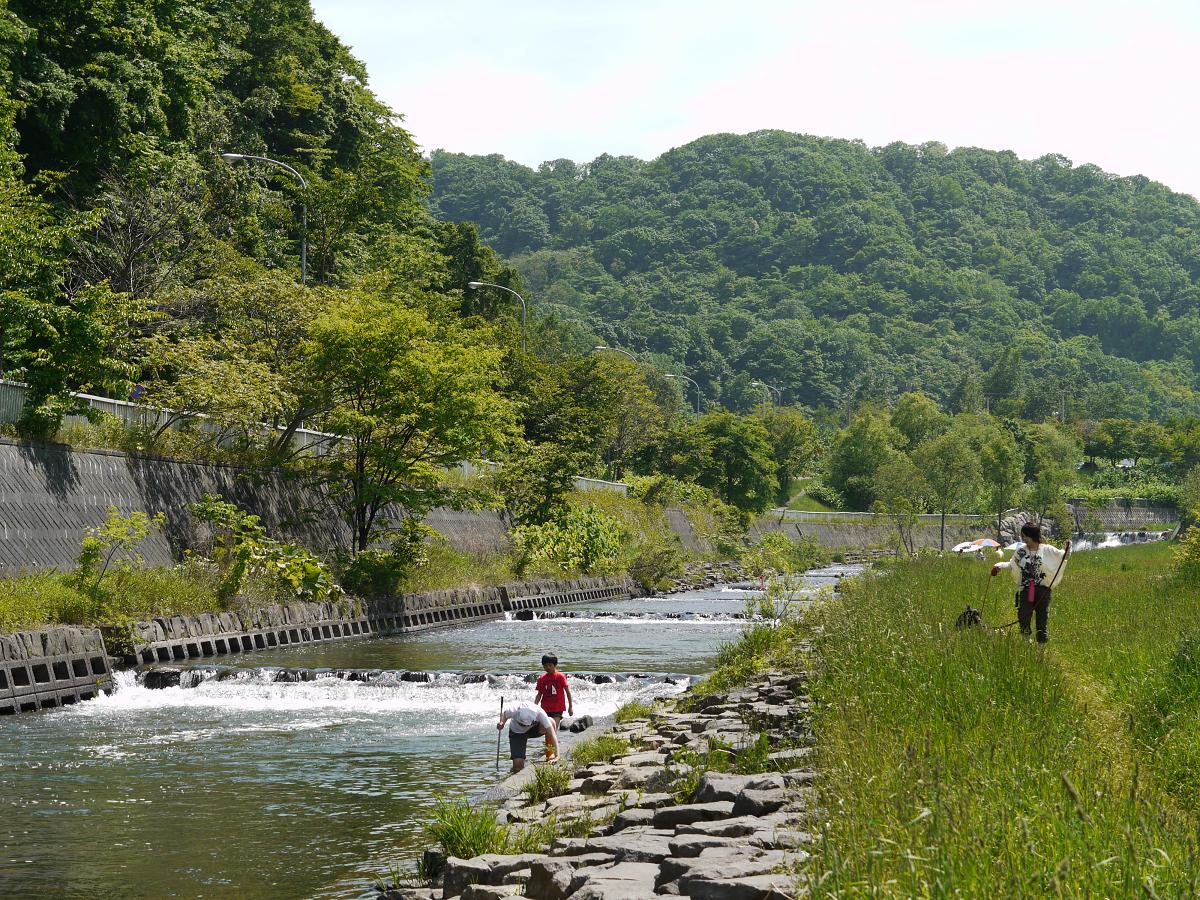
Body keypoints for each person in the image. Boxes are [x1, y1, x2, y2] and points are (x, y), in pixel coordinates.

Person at [990, 523, 1071, 643]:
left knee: (1042, 619)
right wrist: (1000, 565)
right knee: (1023, 615)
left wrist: (1068, 547)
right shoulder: (1021, 551)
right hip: (1026, 589)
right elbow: (1012, 564)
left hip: (1043, 591)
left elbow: (1064, 556)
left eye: (1024, 536)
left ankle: (1041, 645)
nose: (1023, 539)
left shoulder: (1047, 549)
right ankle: (1026, 642)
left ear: (1031, 535)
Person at [497, 699, 559, 772]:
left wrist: (557, 755)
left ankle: (550, 753)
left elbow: (552, 733)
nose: (525, 725)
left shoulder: (539, 712)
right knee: (518, 766)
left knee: (551, 722)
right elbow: (505, 714)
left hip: (533, 729)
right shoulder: (513, 709)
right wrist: (502, 723)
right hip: (517, 733)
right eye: (523, 724)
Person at [534, 654, 574, 729]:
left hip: (557, 708)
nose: (547, 667)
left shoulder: (560, 676)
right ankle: (548, 741)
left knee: (553, 728)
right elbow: (539, 694)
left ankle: (552, 740)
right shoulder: (542, 678)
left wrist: (570, 707)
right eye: (545, 666)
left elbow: (568, 692)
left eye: (550, 665)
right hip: (545, 708)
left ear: (555, 665)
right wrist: (534, 707)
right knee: (545, 730)